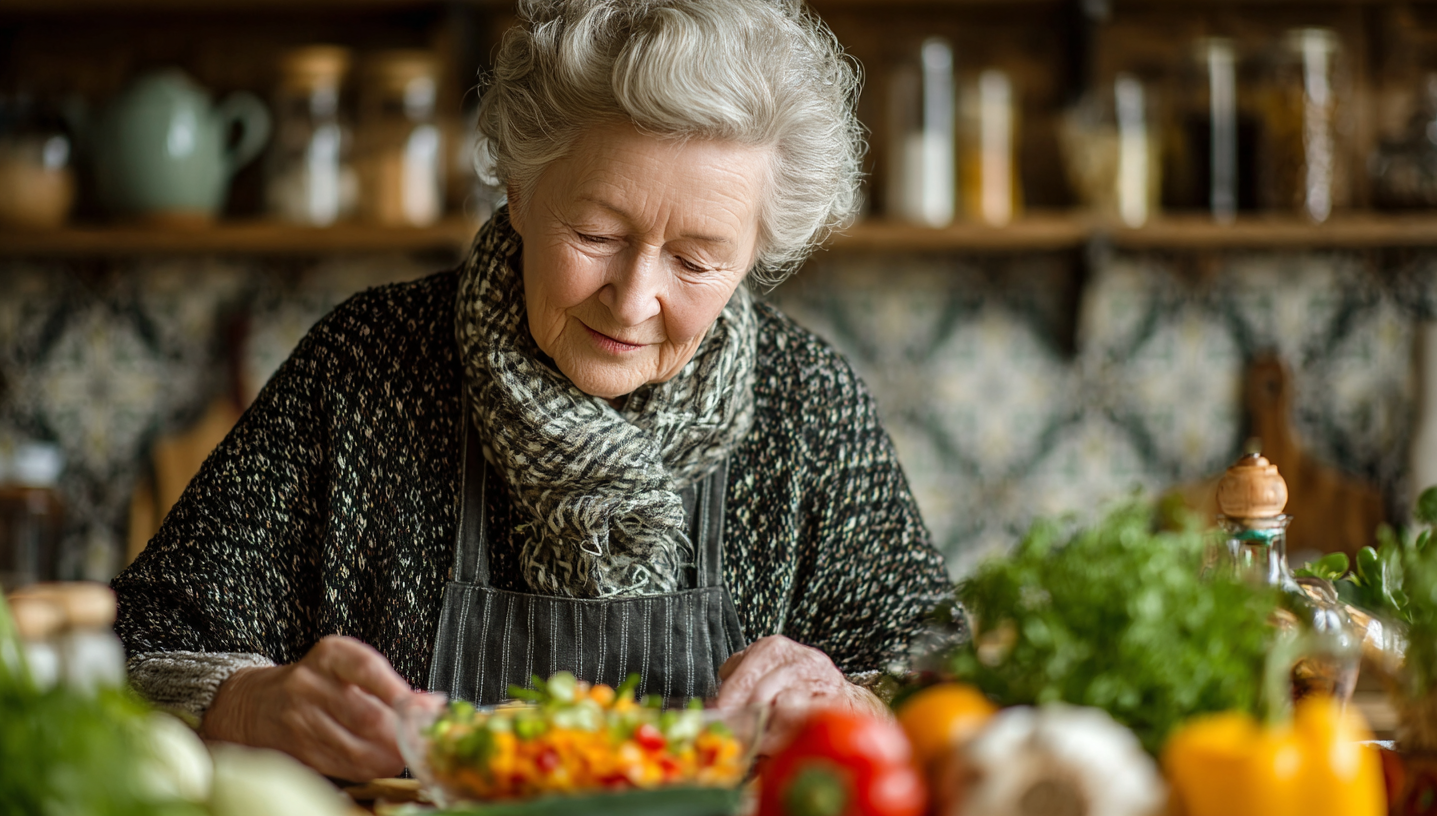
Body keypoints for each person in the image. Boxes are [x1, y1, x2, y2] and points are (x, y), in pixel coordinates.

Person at [113, 0, 964, 783]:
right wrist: (252, 703)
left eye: (698, 261)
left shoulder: (808, 405)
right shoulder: (364, 371)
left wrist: (854, 703)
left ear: (756, 254)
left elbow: (947, 692)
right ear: (517, 188)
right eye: (596, 234)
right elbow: (136, 648)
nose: (633, 300)